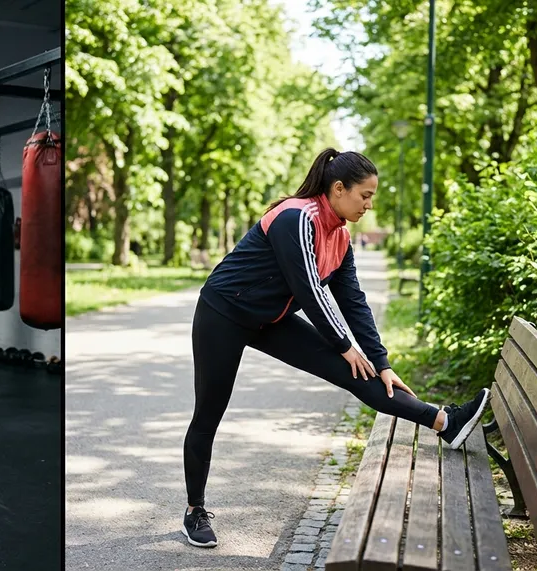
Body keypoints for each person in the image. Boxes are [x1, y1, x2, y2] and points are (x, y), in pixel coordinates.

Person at [180, 148, 490, 548]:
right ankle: (194, 510)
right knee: (209, 413)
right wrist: (344, 344)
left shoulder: (341, 237)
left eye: (372, 197)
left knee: (358, 373)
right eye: (365, 195)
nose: (369, 205)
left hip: (269, 319)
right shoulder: (296, 218)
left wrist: (381, 362)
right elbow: (309, 289)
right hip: (223, 312)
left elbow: (353, 301)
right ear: (339, 188)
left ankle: (446, 423)